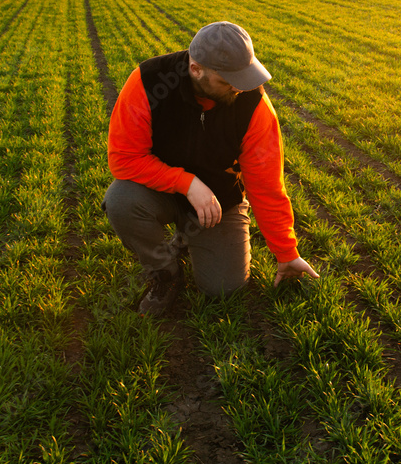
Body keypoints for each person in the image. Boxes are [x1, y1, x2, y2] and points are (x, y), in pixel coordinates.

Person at [103, 20, 319, 315]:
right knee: (121, 201)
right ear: (196, 70)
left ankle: (187, 237)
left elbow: (267, 184)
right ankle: (164, 273)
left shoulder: (253, 105)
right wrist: (187, 183)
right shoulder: (149, 81)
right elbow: (123, 157)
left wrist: (286, 252)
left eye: (244, 76)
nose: (239, 88)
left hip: (219, 203)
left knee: (224, 288)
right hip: (159, 191)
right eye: (229, 80)